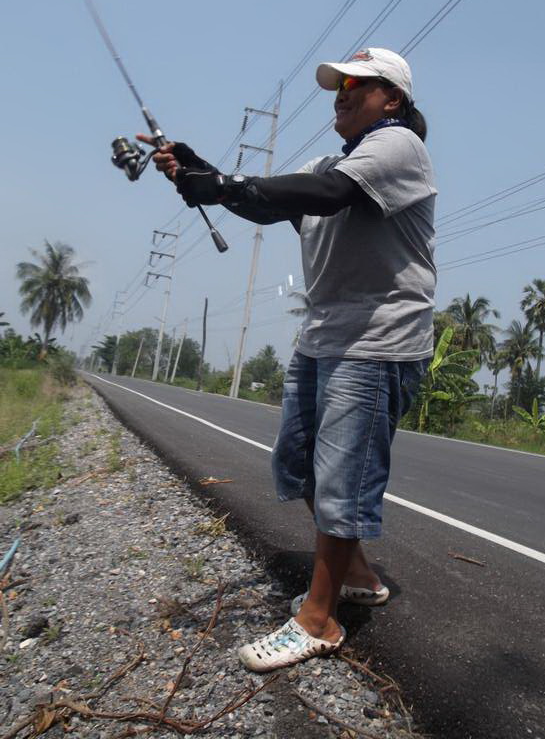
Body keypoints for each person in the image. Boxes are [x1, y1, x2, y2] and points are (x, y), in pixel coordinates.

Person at [138, 47, 436, 672]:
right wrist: (201, 171)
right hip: (324, 335)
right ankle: (356, 575)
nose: (342, 93)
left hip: (375, 341)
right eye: (339, 86)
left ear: (394, 100)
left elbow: (325, 194)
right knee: (298, 463)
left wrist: (218, 184)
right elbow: (268, 201)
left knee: (341, 476)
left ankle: (320, 619)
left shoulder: (397, 147)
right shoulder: (332, 160)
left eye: (359, 85)